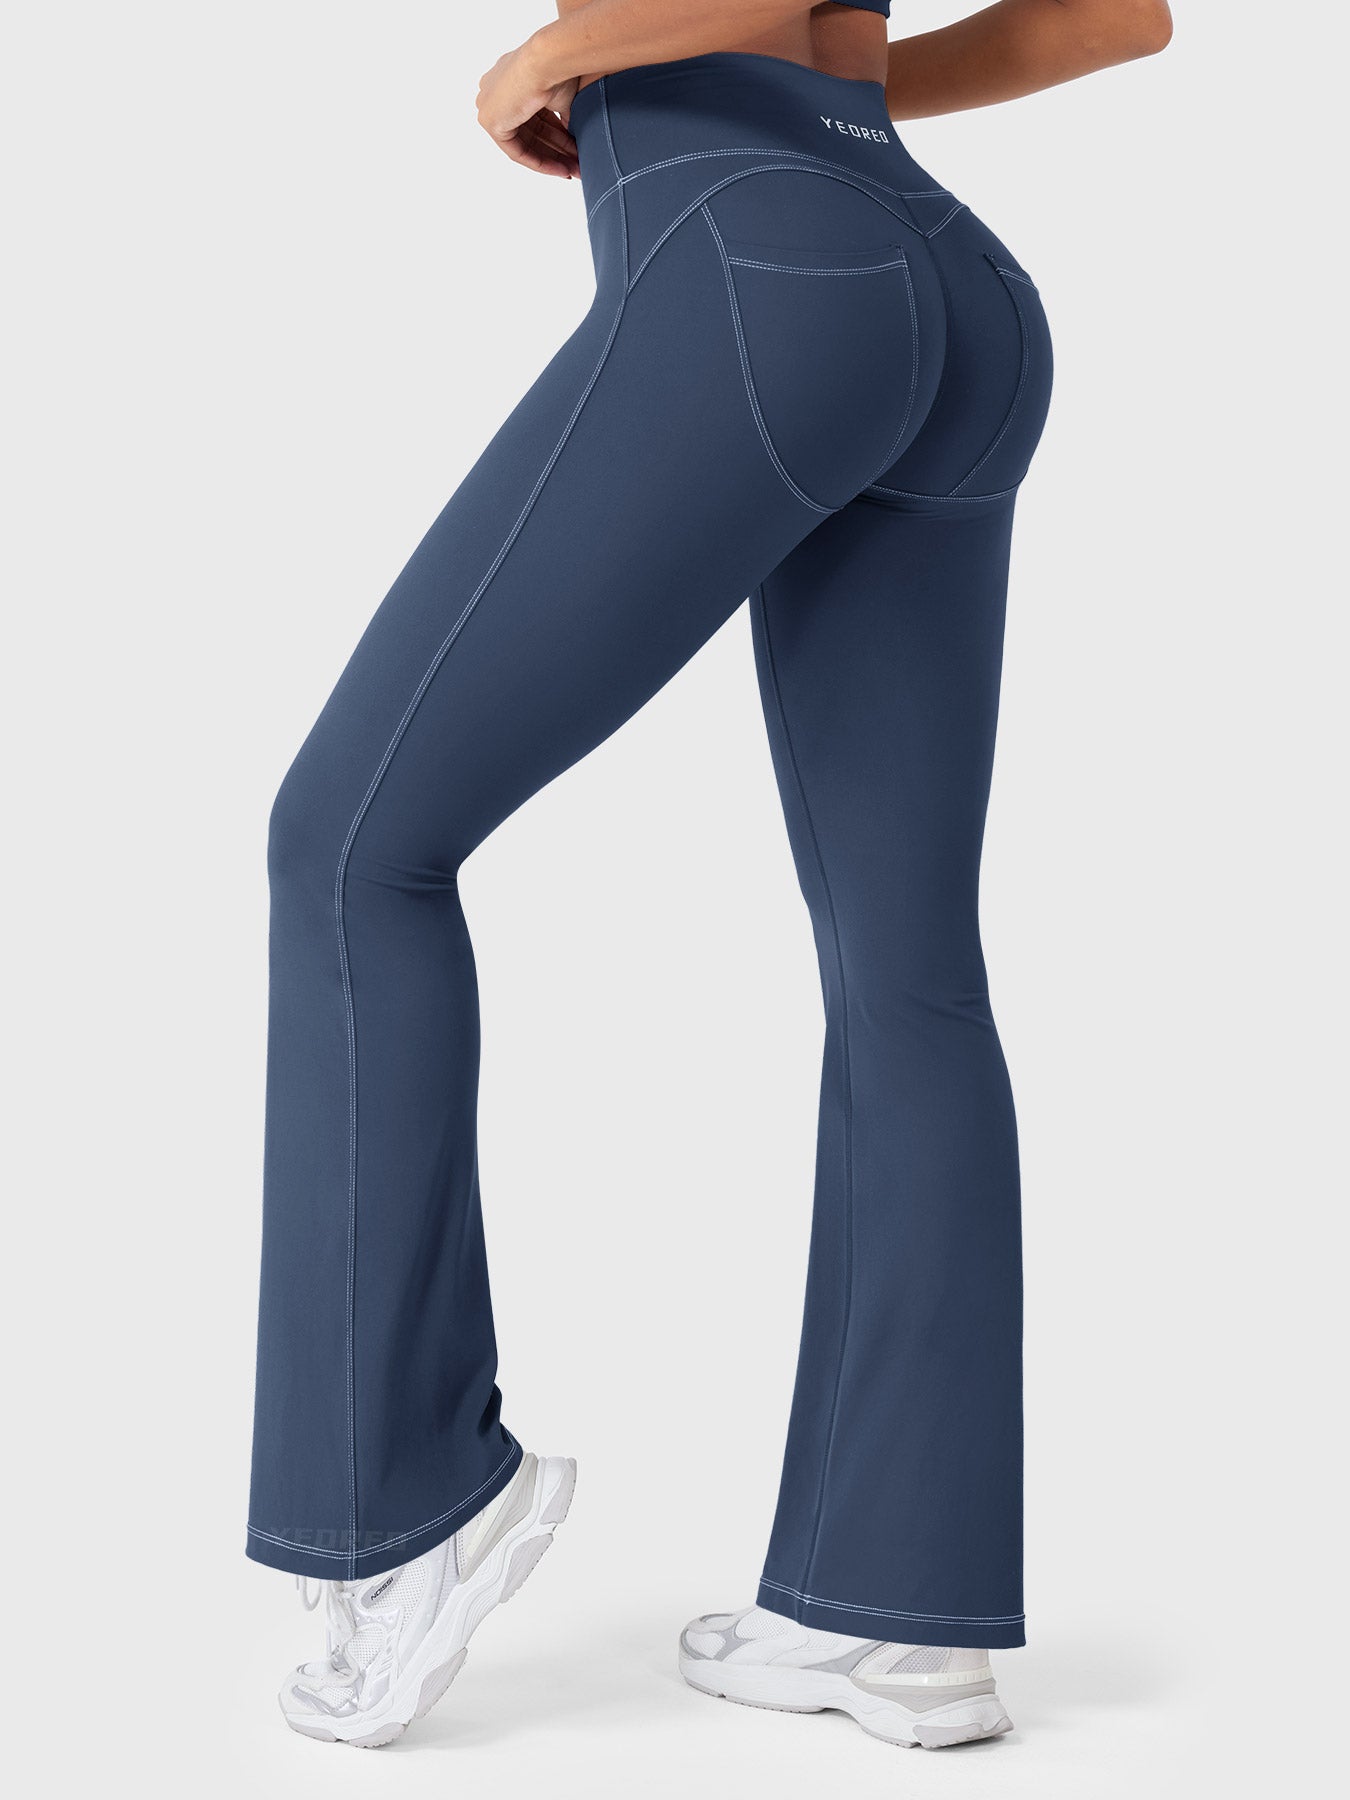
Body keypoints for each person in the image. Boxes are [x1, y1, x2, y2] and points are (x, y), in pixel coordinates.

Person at [248, 0, 1172, 1751]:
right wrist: (838, 90)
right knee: (908, 965)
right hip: (946, 280)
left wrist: (550, 64)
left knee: (352, 846)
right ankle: (892, 1619)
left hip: (754, 258)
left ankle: (404, 1506)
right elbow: (1109, 17)